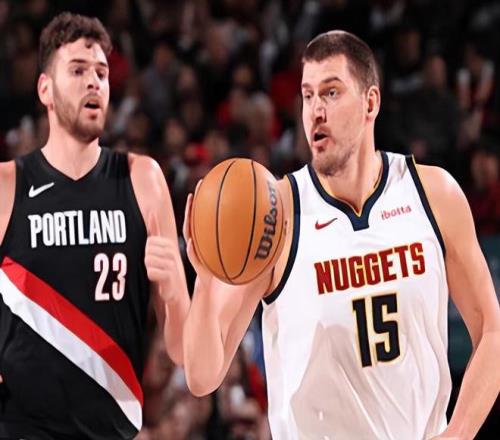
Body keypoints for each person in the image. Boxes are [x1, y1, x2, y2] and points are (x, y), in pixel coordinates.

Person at [182, 30, 500, 439]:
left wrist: (458, 433)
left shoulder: (432, 194)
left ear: (371, 102)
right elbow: (203, 375)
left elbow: (492, 331)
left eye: (331, 93)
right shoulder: (277, 214)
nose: (316, 110)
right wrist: (206, 281)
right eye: (307, 95)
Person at [0, 12, 190, 439]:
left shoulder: (142, 179)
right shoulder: (7, 186)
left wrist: (175, 288)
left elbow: (181, 350)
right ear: (45, 89)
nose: (94, 83)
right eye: (78, 70)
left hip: (113, 430)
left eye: (102, 73)